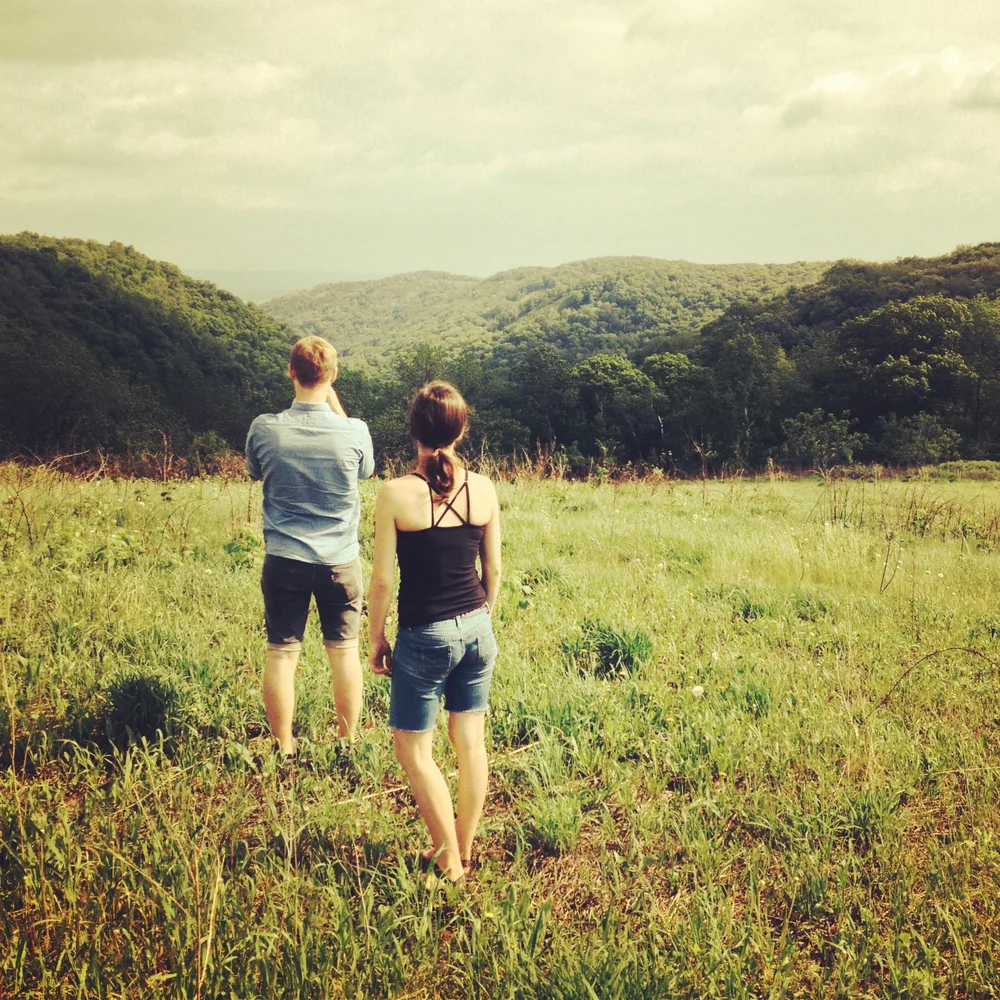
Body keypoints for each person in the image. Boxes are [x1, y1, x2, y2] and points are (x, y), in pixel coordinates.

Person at [367, 381, 501, 884]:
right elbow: (494, 570)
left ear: (413, 433)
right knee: (470, 743)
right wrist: (482, 620)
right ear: (461, 430)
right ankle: (460, 849)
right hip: (477, 626)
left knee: (413, 750)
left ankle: (448, 859)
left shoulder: (396, 494)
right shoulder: (484, 488)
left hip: (425, 635)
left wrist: (375, 638)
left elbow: (383, 579)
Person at [246, 335, 374, 757]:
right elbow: (367, 471)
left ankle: (283, 747)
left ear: (291, 372)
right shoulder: (355, 432)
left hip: (285, 558)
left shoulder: (265, 428)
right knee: (344, 653)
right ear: (333, 376)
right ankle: (347, 742)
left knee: (281, 655)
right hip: (340, 561)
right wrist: (337, 411)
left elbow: (253, 470)